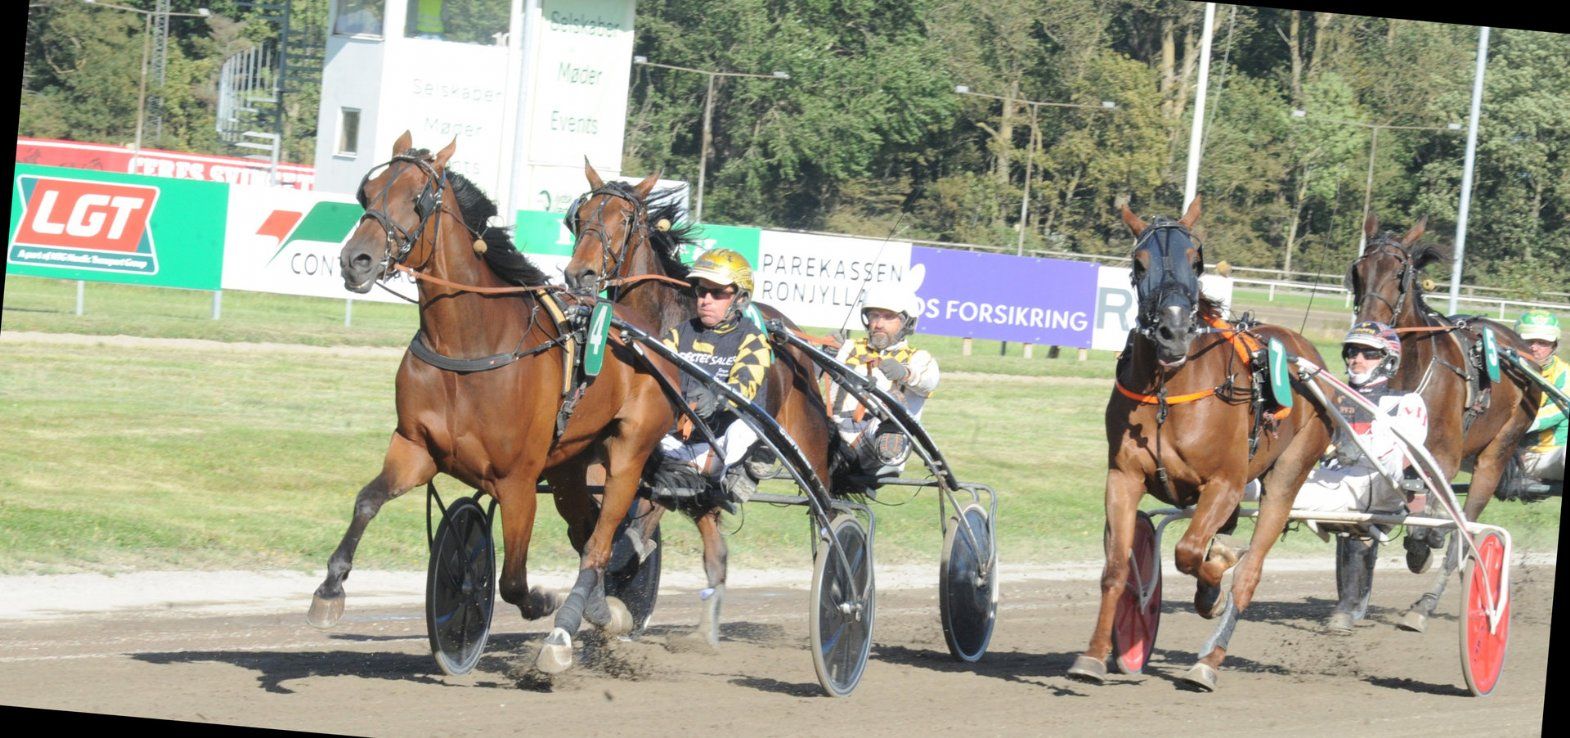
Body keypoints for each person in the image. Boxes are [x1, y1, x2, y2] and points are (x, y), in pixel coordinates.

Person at [1292, 321, 1428, 635]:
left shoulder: (1406, 402)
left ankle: (1422, 530)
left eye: (1370, 354)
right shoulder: (1331, 397)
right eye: (1353, 352)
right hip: (1337, 480)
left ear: (1389, 361)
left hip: (1381, 482)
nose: (1357, 359)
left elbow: (1403, 455)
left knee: (1280, 495)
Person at [651, 248, 773, 509]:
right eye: (701, 291)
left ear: (740, 299)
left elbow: (745, 388)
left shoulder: (752, 340)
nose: (706, 300)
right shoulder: (676, 335)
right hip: (677, 440)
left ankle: (745, 469)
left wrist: (717, 398)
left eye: (717, 293)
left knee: (745, 429)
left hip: (722, 445)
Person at [827, 282, 940, 480]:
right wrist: (822, 353)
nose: (879, 324)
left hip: (876, 449)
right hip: (830, 438)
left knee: (893, 399)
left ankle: (890, 436)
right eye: (874, 316)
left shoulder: (918, 357)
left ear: (907, 322)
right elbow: (807, 374)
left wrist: (905, 373)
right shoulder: (847, 348)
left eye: (888, 317)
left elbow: (930, 381)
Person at [1514, 310, 1566, 487]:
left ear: (1554, 345)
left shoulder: (1565, 375)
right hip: (1506, 455)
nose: (1534, 348)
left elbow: (1545, 418)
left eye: (1542, 343)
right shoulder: (1506, 370)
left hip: (1549, 458)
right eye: (1528, 341)